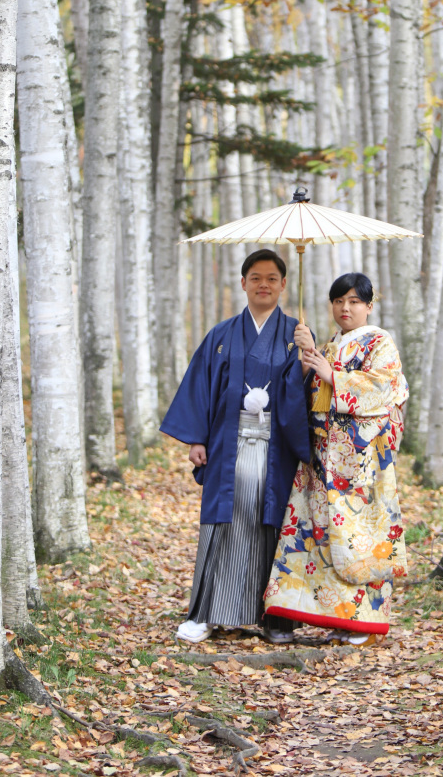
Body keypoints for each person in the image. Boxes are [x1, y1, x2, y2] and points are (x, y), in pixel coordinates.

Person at [160, 249, 311, 645]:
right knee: (224, 525)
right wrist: (196, 438)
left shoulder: (297, 333)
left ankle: (275, 618)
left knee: (273, 527)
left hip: (277, 450)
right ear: (243, 283)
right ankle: (209, 613)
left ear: (282, 285)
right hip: (229, 446)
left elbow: (311, 395)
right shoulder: (222, 335)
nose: (264, 285)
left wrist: (308, 359)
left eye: (273, 278)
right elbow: (201, 387)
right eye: (256, 278)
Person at [263, 272, 409, 645]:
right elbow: (310, 392)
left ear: (369, 306)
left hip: (360, 461)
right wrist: (306, 359)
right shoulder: (329, 344)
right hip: (321, 457)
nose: (346, 308)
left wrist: (332, 374)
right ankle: (310, 612)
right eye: (339, 301)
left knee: (358, 538)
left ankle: (361, 619)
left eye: (355, 301)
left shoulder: (380, 342)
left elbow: (385, 390)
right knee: (316, 534)